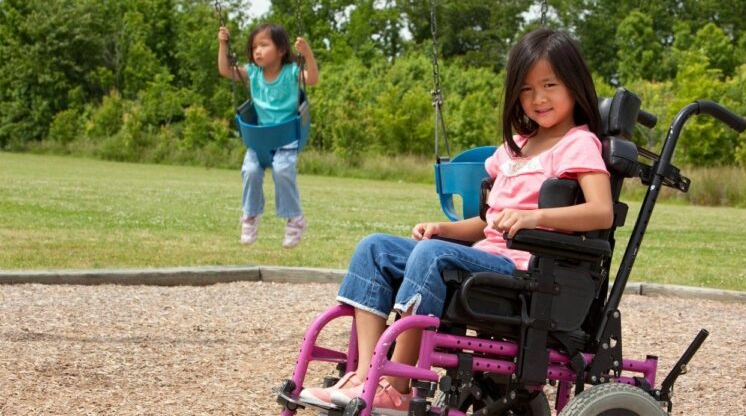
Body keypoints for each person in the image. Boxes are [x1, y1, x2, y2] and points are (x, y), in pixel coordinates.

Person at [298, 28, 614, 415]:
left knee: (430, 256)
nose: (538, 99)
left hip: (527, 272)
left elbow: (602, 211)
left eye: (549, 85)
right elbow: (489, 222)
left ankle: (395, 386)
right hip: (487, 257)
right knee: (374, 248)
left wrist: (536, 216)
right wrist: (444, 229)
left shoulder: (577, 144)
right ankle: (366, 373)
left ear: (574, 85)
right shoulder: (517, 146)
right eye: (527, 89)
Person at [217, 24, 319, 248]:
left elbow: (312, 79)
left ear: (281, 50)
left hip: (287, 139)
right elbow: (225, 71)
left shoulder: (291, 72)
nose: (257, 51)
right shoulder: (253, 73)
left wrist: (307, 53)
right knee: (251, 170)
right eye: (254, 47)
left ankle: (295, 219)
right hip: (260, 140)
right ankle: (250, 217)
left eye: (264, 45)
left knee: (283, 171)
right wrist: (222, 44)